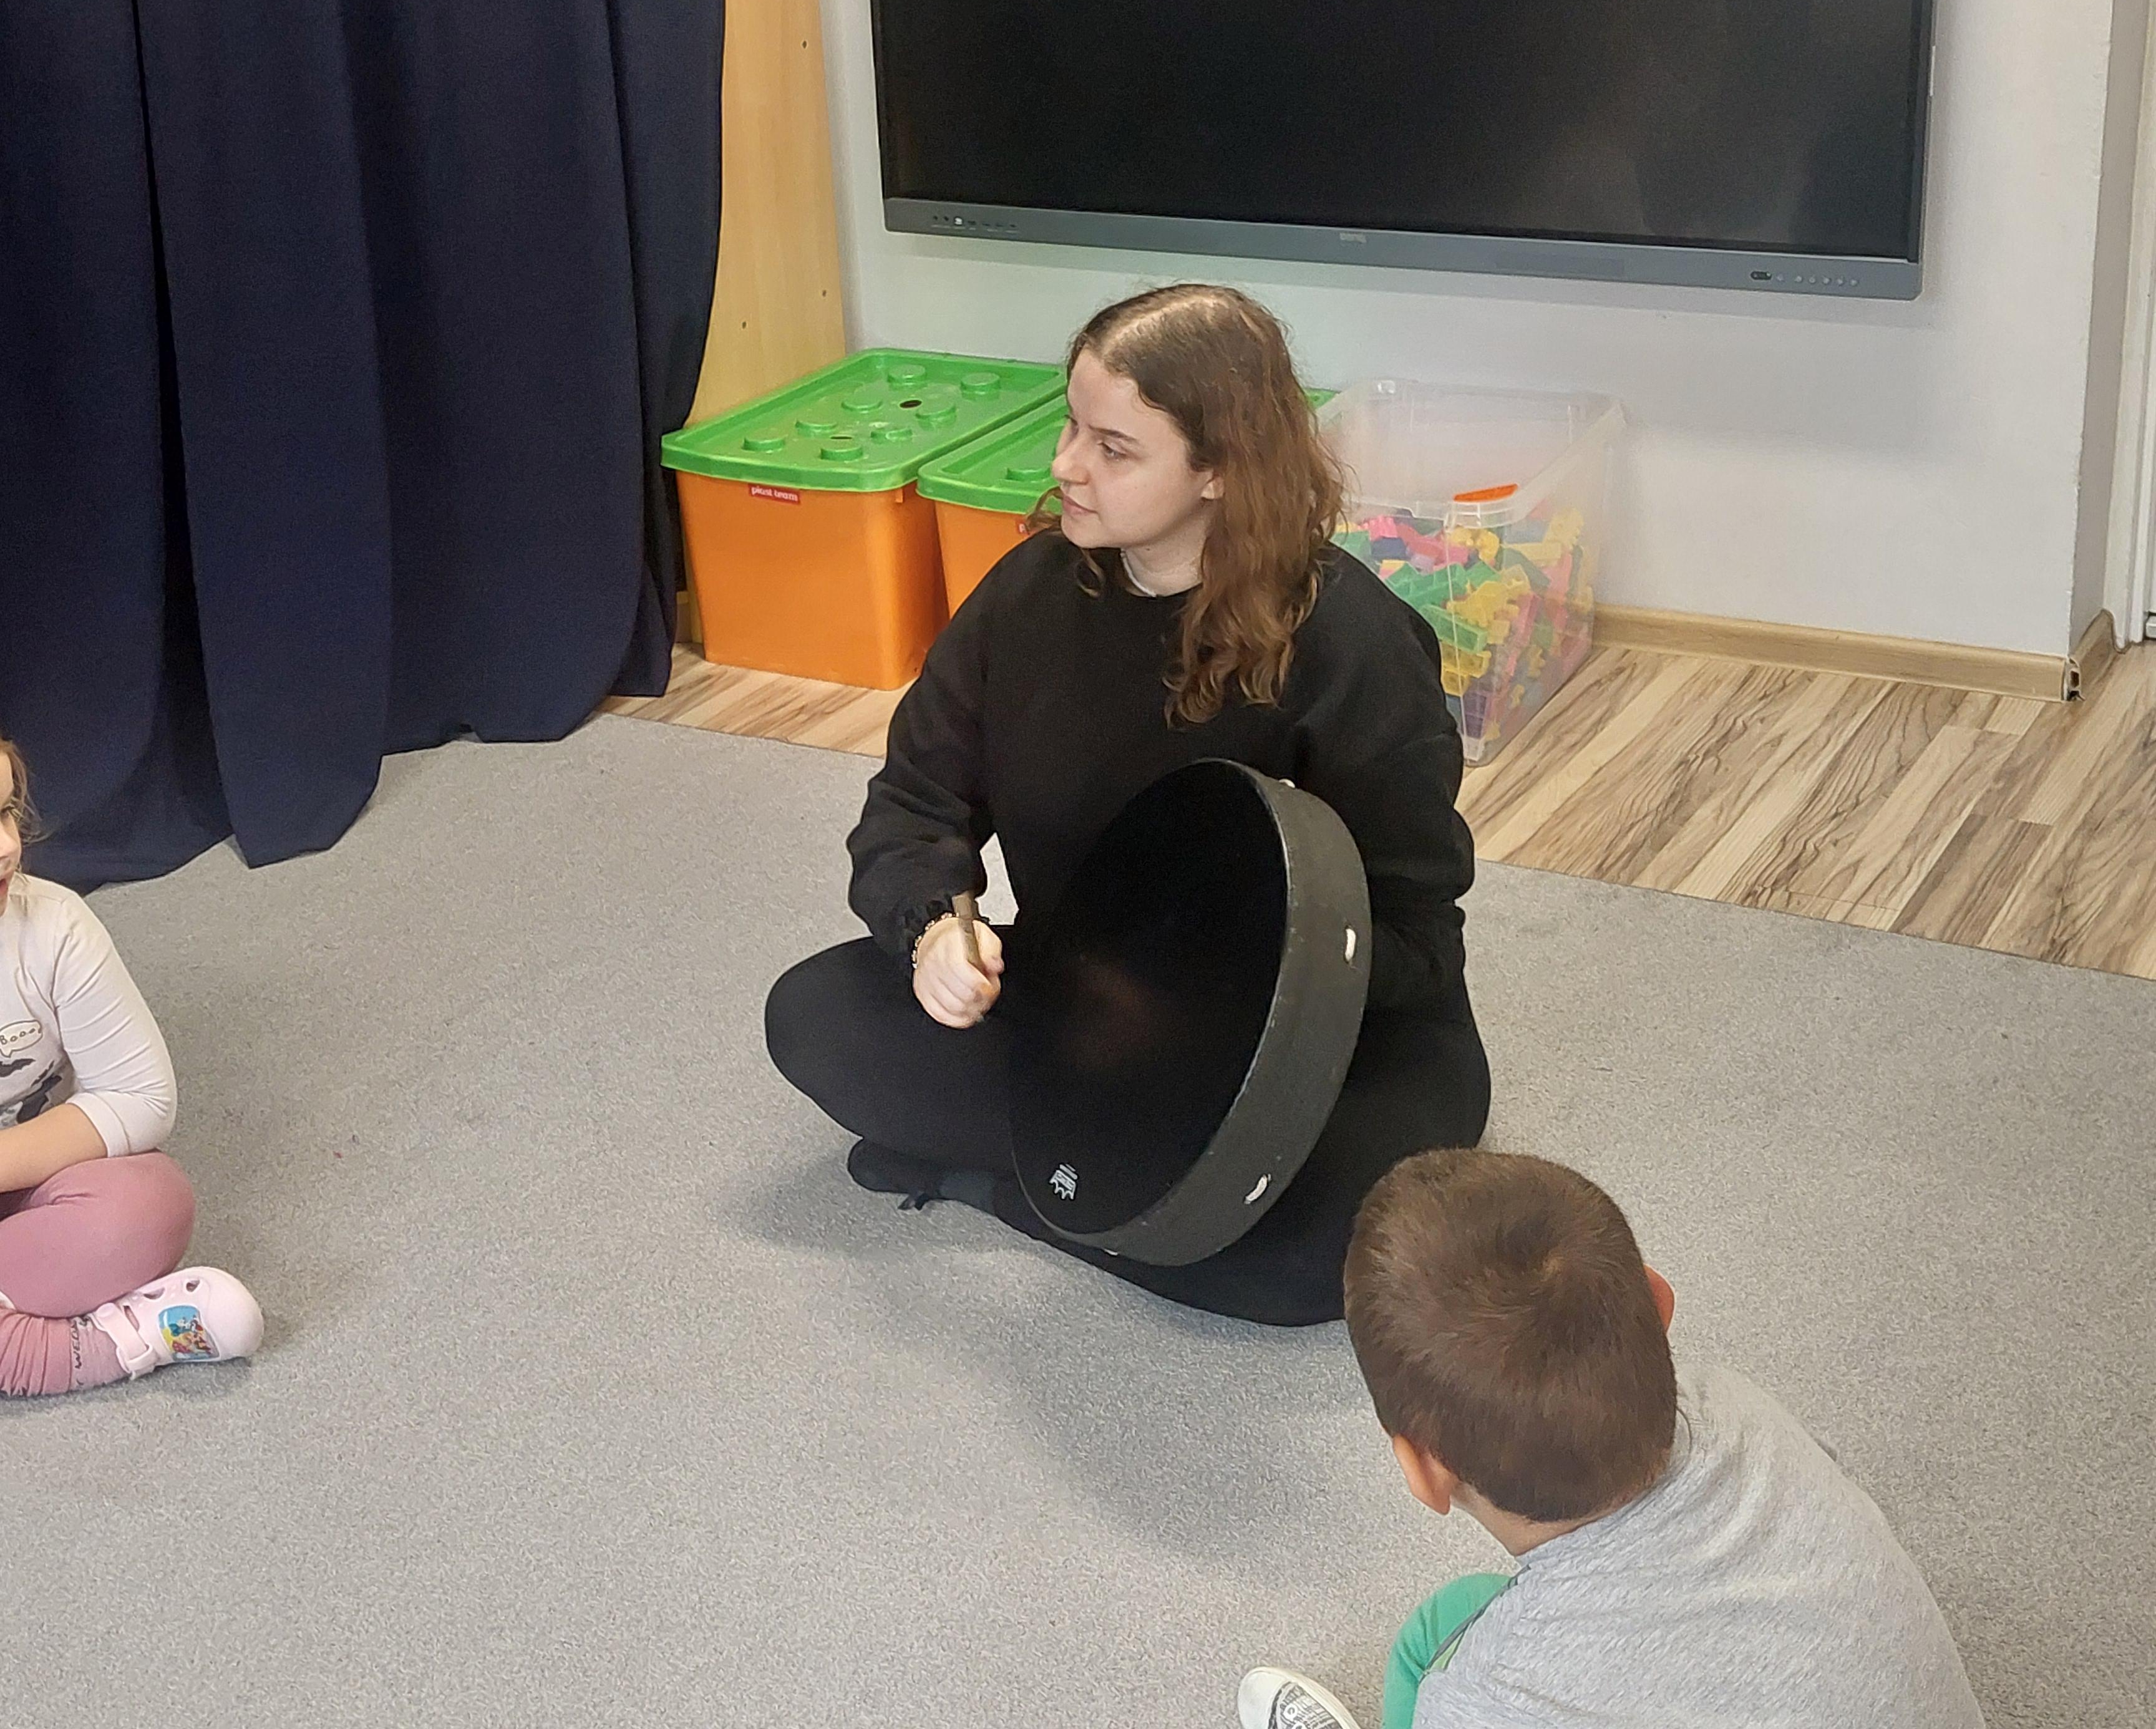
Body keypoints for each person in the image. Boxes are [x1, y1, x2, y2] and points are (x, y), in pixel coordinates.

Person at [764, 283, 1488, 1325]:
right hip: (1092, 1006)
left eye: (1113, 448)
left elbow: (1418, 929)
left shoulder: (1354, 648)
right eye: (1072, 427)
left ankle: (1008, 1191)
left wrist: (1225, 1011)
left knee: (1323, 1252)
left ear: (1219, 469)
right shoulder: (1027, 597)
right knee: (816, 1016)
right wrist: (934, 931)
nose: (1066, 464)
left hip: (1321, 1038)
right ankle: (1104, 1202)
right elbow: (915, 803)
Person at [1240, 1149, 1986, 1729]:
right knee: (1458, 1614)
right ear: (1660, 1302)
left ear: (1423, 1471)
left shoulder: (1488, 1700)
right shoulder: (1741, 1409)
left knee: (1429, 1655)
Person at [0, 735, 263, 1398]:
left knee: (150, 1203)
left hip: (27, 1178)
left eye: (5, 813)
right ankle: (110, 1344)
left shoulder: (53, 926)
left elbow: (139, 1097)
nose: (6, 847)